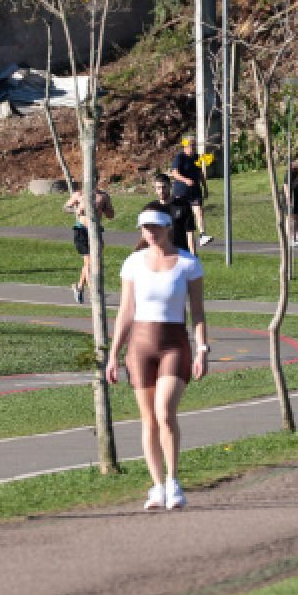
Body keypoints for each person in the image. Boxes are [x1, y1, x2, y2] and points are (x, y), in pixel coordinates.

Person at [106, 202, 209, 511]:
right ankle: (157, 486)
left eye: (154, 226)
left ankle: (174, 481)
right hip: (140, 346)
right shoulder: (133, 263)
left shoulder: (188, 264)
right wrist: (113, 354)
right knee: (148, 419)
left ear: (167, 227)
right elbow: (126, 311)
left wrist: (202, 350)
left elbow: (198, 313)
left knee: (165, 412)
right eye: (144, 227)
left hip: (174, 345)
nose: (149, 232)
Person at [63, 176, 115, 304]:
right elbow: (65, 207)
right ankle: (93, 293)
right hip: (81, 231)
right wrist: (77, 209)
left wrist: (105, 208)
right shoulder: (79, 195)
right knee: (89, 262)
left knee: (92, 262)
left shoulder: (103, 196)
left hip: (96, 231)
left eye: (94, 180)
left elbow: (111, 215)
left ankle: (79, 288)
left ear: (97, 180)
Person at [170, 135, 212, 246]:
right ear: (185, 146)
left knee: (199, 211)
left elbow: (200, 173)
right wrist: (185, 180)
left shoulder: (197, 157)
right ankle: (175, 236)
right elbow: (174, 173)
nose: (193, 147)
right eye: (191, 145)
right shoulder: (180, 157)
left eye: (194, 145)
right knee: (180, 215)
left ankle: (202, 235)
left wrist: (205, 188)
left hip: (195, 191)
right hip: (181, 191)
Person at [153, 172, 196, 253]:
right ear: (155, 189)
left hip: (181, 252)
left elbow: (189, 232)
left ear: (170, 186)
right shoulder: (152, 209)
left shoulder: (183, 206)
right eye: (158, 188)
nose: (161, 191)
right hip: (160, 253)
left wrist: (193, 254)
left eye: (164, 187)